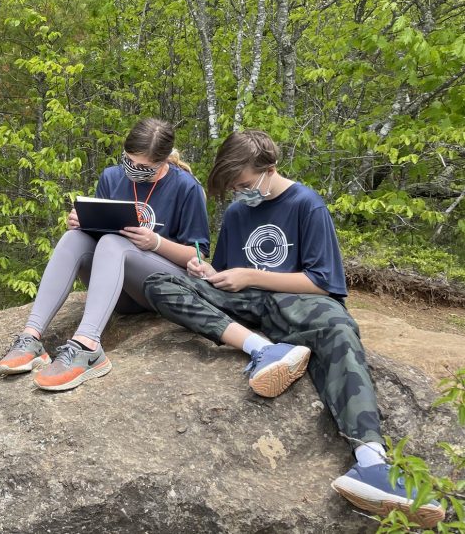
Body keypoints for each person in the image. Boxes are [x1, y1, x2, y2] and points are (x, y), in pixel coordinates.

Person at [142, 129, 445, 527]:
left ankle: (371, 463)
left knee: (338, 328)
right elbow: (227, 273)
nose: (240, 192)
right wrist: (207, 272)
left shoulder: (306, 204)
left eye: (246, 184)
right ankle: (261, 350)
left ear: (270, 169)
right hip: (248, 307)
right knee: (159, 284)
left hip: (298, 302)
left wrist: (250, 275)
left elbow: (323, 283)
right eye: (234, 187)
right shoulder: (237, 213)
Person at [0, 118, 211, 391]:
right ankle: (31, 338)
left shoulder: (186, 187)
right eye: (128, 161)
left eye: (144, 168)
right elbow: (98, 236)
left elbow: (198, 257)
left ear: (164, 161)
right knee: (74, 237)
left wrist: (155, 242)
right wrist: (83, 223)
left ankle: (88, 347)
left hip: (162, 289)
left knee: (113, 243)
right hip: (119, 292)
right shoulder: (112, 177)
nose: (133, 171)